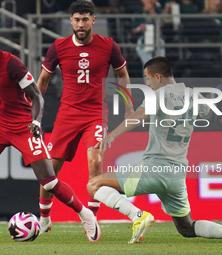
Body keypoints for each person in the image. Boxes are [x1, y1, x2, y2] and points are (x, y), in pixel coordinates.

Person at [0, 27, 101, 242]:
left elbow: (37, 96)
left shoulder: (11, 63)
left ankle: (86, 215)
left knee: (50, 182)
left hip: (23, 127)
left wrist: (36, 121)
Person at [87, 56, 222, 243]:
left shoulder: (159, 95)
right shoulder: (193, 94)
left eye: (148, 78)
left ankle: (137, 215)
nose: (147, 84)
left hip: (155, 168)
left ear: (158, 77)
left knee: (94, 184)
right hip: (177, 174)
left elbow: (138, 116)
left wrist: (112, 135)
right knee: (187, 227)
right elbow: (210, 109)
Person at [37, 0, 133, 234]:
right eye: (77, 19)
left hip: (95, 114)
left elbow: (123, 74)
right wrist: (35, 115)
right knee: (50, 170)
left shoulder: (109, 45)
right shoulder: (58, 47)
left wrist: (128, 106)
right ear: (71, 21)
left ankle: (92, 218)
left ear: (93, 20)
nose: (81, 24)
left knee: (96, 162)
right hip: (67, 115)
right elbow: (42, 81)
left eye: (85, 19)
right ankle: (44, 217)